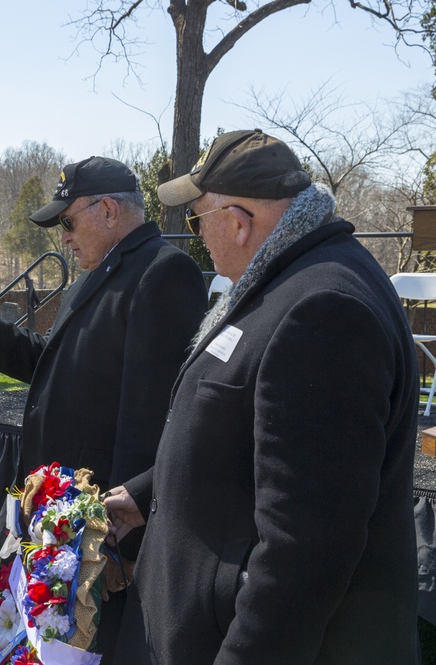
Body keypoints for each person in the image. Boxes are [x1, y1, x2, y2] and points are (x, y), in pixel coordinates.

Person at [103, 129, 420, 664]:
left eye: (200, 220)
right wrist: (149, 493)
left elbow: (306, 553)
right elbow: (254, 435)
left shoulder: (323, 310)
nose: (201, 236)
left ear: (238, 221)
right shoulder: (291, 278)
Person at [0, 156, 208, 662]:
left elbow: (150, 417)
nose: (62, 237)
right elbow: (52, 363)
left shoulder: (163, 272)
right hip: (60, 517)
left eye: (67, 221)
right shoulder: (92, 275)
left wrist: (118, 542)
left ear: (107, 209)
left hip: (104, 529)